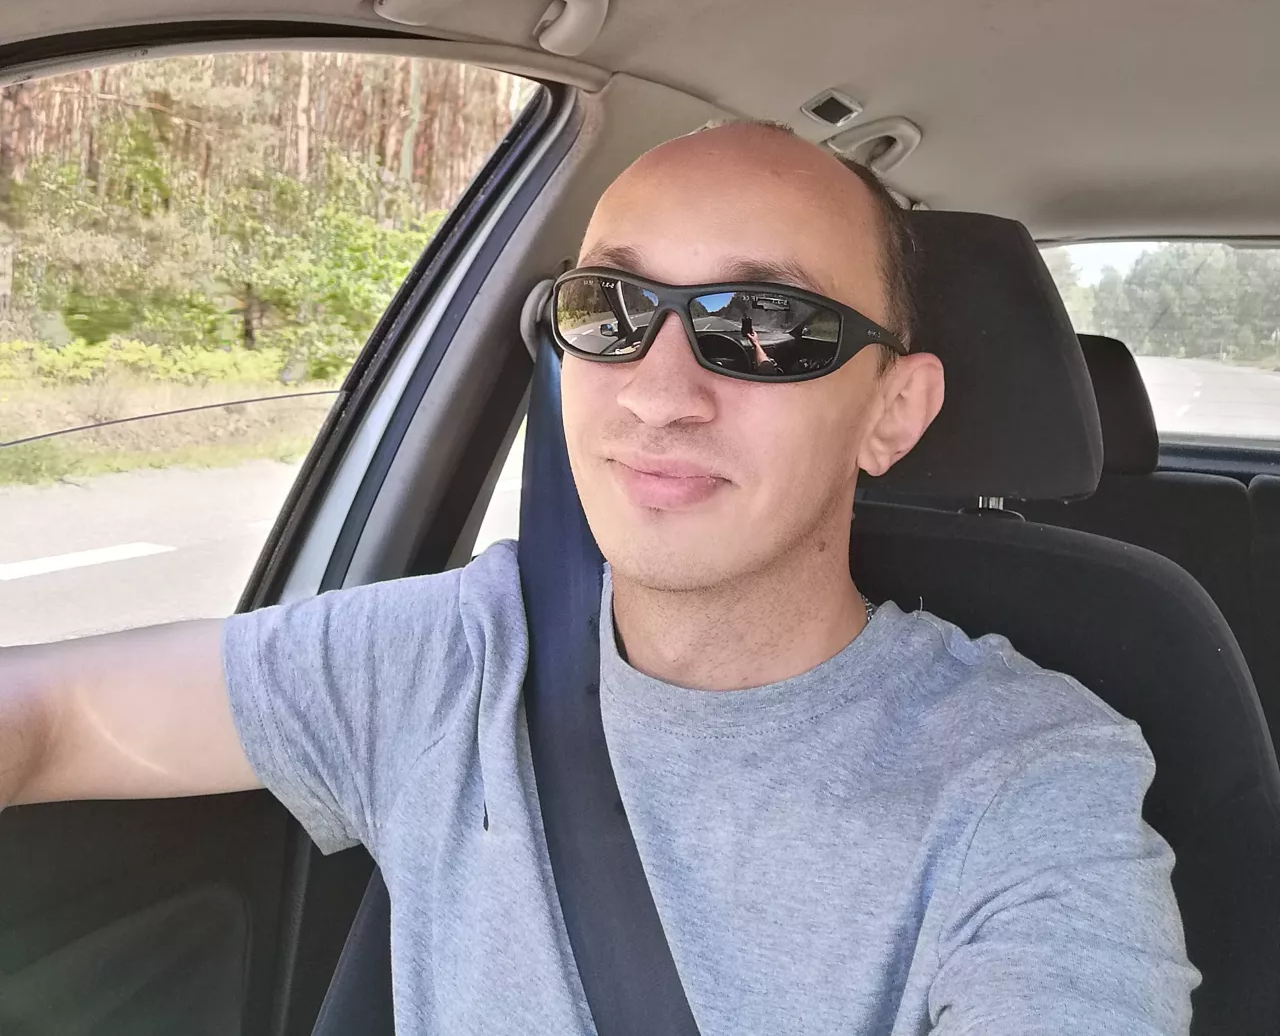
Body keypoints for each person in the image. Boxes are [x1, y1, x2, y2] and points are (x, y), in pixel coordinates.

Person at [0, 122, 1196, 1035]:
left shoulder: (1022, 781)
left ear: (891, 411)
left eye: (763, 324)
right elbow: (54, 717)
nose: (657, 393)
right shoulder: (447, 658)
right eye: (608, 308)